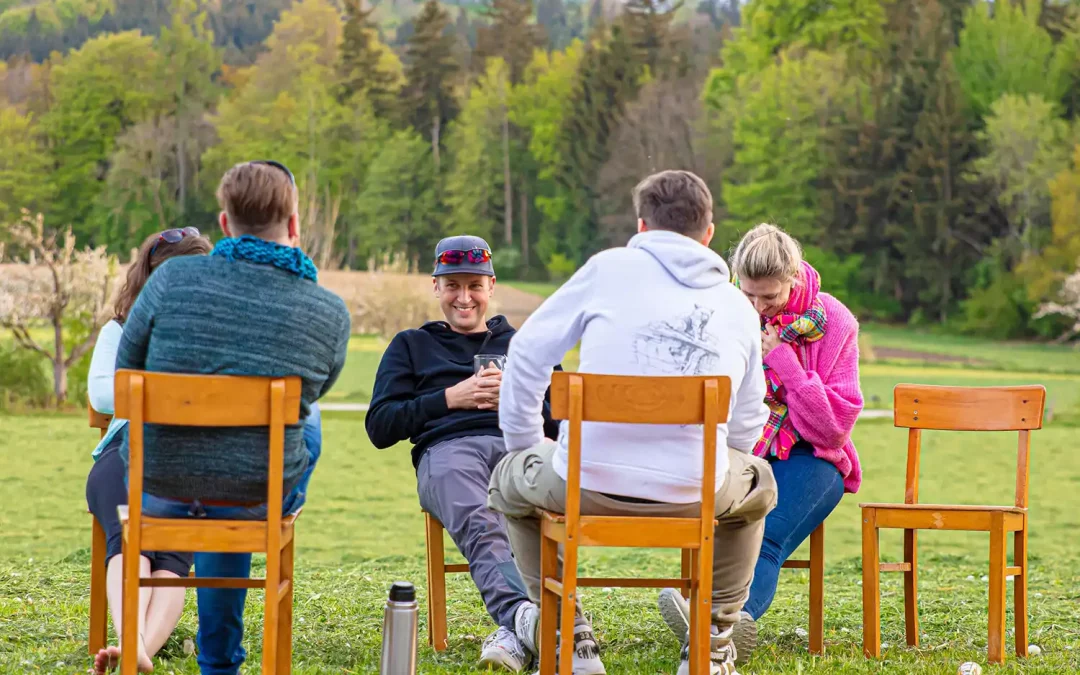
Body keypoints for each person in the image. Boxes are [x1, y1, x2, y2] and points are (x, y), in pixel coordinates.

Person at [488, 170, 778, 675]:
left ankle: (567, 634)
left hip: (585, 483)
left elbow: (528, 352)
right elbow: (749, 415)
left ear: (641, 225)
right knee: (759, 485)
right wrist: (719, 465)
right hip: (697, 492)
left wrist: (526, 446)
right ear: (709, 232)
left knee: (508, 481)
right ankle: (712, 639)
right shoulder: (737, 304)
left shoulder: (606, 271)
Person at [113, 160, 351, 675]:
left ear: (225, 224)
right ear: (293, 225)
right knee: (304, 423)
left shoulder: (171, 278)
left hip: (159, 490)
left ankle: (217, 658)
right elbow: (316, 389)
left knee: (232, 467)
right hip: (253, 499)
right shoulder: (327, 311)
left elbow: (126, 373)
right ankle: (218, 661)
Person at [656, 222, 864, 662]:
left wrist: (781, 360)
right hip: (741, 449)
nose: (757, 308)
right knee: (723, 526)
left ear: (795, 278)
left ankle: (714, 627)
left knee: (764, 535)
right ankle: (715, 637)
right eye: (748, 295)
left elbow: (833, 429)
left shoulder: (835, 322)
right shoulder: (721, 312)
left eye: (769, 297)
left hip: (815, 459)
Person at [365, 235, 562, 672]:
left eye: (474, 285)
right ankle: (528, 619)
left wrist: (518, 402)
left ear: (491, 286)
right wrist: (450, 398)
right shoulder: (411, 345)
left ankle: (516, 633)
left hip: (521, 448)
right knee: (480, 517)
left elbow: (565, 419)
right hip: (449, 451)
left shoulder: (524, 344)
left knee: (553, 505)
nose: (464, 296)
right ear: (436, 288)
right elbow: (379, 427)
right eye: (452, 285)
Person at [86, 228, 211, 674]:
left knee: (173, 552)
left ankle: (138, 653)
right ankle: (135, 647)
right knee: (130, 534)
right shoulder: (118, 331)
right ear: (149, 277)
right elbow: (103, 395)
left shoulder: (212, 335)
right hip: (125, 448)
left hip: (186, 457)